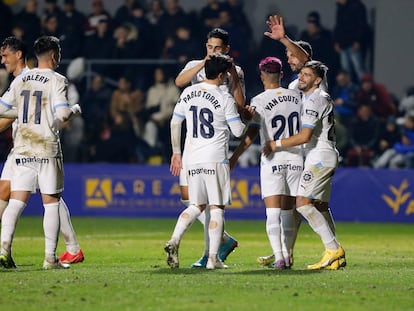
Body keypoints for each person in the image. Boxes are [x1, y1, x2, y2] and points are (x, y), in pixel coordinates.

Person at [257, 14, 335, 267]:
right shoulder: (296, 87)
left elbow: (302, 59)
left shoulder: (310, 84)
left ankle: (325, 248)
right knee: (315, 205)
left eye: (292, 56)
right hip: (308, 151)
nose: (289, 60)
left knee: (300, 205)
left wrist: (284, 39)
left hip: (309, 151)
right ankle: (288, 251)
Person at [0, 36, 84, 266]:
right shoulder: (57, 80)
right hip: (46, 148)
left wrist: (22, 115)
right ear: (55, 55)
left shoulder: (21, 79)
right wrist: (75, 110)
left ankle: (4, 248)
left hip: (22, 148)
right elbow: (63, 116)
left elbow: (2, 109)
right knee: (52, 203)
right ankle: (50, 258)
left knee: (15, 202)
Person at [165, 54, 252, 269]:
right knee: (217, 208)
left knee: (195, 205)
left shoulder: (189, 92)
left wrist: (176, 151)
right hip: (215, 159)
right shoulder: (224, 97)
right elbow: (239, 131)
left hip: (192, 158)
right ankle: (213, 258)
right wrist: (247, 119)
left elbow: (175, 123)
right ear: (222, 75)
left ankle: (174, 239)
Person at [263, 60, 346, 270]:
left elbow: (305, 135)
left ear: (317, 80)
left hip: (319, 156)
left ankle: (333, 248)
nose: (301, 77)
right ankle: (335, 257)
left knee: (302, 204)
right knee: (319, 205)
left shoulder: (315, 100)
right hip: (321, 155)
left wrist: (276, 144)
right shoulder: (312, 97)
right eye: (301, 74)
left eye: (307, 75)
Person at [230, 57, 302, 269]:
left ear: (261, 76)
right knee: (289, 211)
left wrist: (235, 157)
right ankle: (288, 256)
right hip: (296, 158)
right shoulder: (297, 96)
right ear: (281, 75)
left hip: (273, 159)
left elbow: (251, 133)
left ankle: (279, 257)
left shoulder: (259, 101)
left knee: (272, 212)